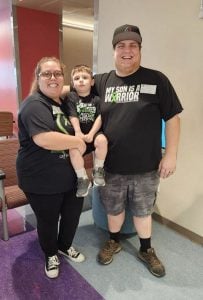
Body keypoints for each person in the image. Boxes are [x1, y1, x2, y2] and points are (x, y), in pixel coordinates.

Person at [92, 24, 183, 277]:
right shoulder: (102, 81)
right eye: (121, 45)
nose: (127, 50)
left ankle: (146, 249)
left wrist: (171, 154)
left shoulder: (157, 79)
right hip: (112, 166)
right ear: (114, 50)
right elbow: (71, 90)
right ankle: (113, 241)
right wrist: (42, 91)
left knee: (143, 211)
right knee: (113, 209)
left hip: (146, 166)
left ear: (140, 50)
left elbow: (173, 118)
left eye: (133, 45)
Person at [16, 57, 87, 279]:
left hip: (69, 176)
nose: (53, 78)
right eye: (46, 74)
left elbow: (74, 84)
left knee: (72, 216)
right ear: (37, 78)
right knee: (48, 221)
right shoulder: (34, 104)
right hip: (40, 178)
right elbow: (44, 139)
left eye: (57, 73)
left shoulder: (62, 101)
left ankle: (65, 246)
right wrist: (77, 141)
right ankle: (50, 254)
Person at [64, 64, 108, 198]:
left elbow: (100, 117)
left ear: (92, 81)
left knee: (102, 140)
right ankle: (82, 178)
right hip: (79, 135)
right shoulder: (71, 97)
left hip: (93, 134)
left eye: (85, 77)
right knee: (73, 150)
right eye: (77, 78)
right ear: (72, 83)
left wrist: (92, 134)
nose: (81, 80)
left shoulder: (97, 99)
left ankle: (98, 169)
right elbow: (73, 115)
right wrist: (78, 132)